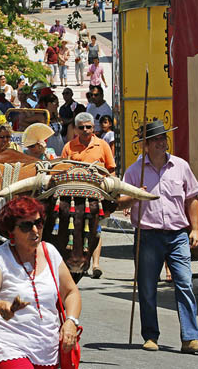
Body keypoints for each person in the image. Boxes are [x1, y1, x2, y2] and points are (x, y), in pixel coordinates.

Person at [118, 121, 198, 354]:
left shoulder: (180, 166)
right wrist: (134, 195)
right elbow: (120, 201)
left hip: (178, 234)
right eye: (156, 140)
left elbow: (192, 198)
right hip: (147, 235)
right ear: (146, 145)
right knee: (148, 288)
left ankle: (190, 338)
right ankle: (150, 336)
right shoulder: (134, 171)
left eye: (164, 138)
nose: (162, 142)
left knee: (185, 283)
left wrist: (196, 228)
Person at [0, 196, 82, 368]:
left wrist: (71, 321)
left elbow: (71, 292)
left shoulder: (50, 252)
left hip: (48, 350)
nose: (35, 230)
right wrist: (3, 307)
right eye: (26, 226)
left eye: (38, 223)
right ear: (11, 230)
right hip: (9, 347)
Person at [60, 112, 115, 279]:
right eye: (82, 127)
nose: (85, 130)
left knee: (95, 230)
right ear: (76, 129)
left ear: (93, 128)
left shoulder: (102, 145)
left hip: (95, 198)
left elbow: (111, 170)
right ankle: (71, 259)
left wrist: (112, 192)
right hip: (73, 199)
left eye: (89, 127)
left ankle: (95, 263)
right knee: (73, 230)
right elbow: (61, 170)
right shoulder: (69, 147)